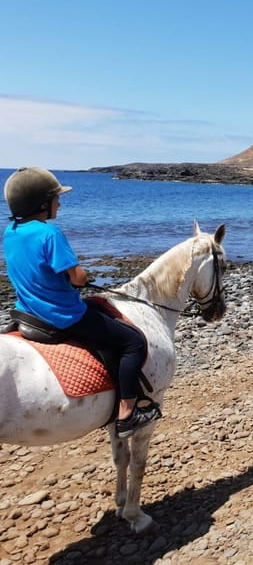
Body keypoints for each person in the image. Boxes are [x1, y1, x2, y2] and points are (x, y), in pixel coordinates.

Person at [3, 167, 161, 438]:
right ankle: (127, 413)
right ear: (42, 203)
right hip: (61, 314)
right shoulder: (49, 234)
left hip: (26, 311)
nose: (59, 203)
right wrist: (82, 278)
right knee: (133, 342)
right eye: (56, 198)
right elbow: (77, 277)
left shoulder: (11, 231)